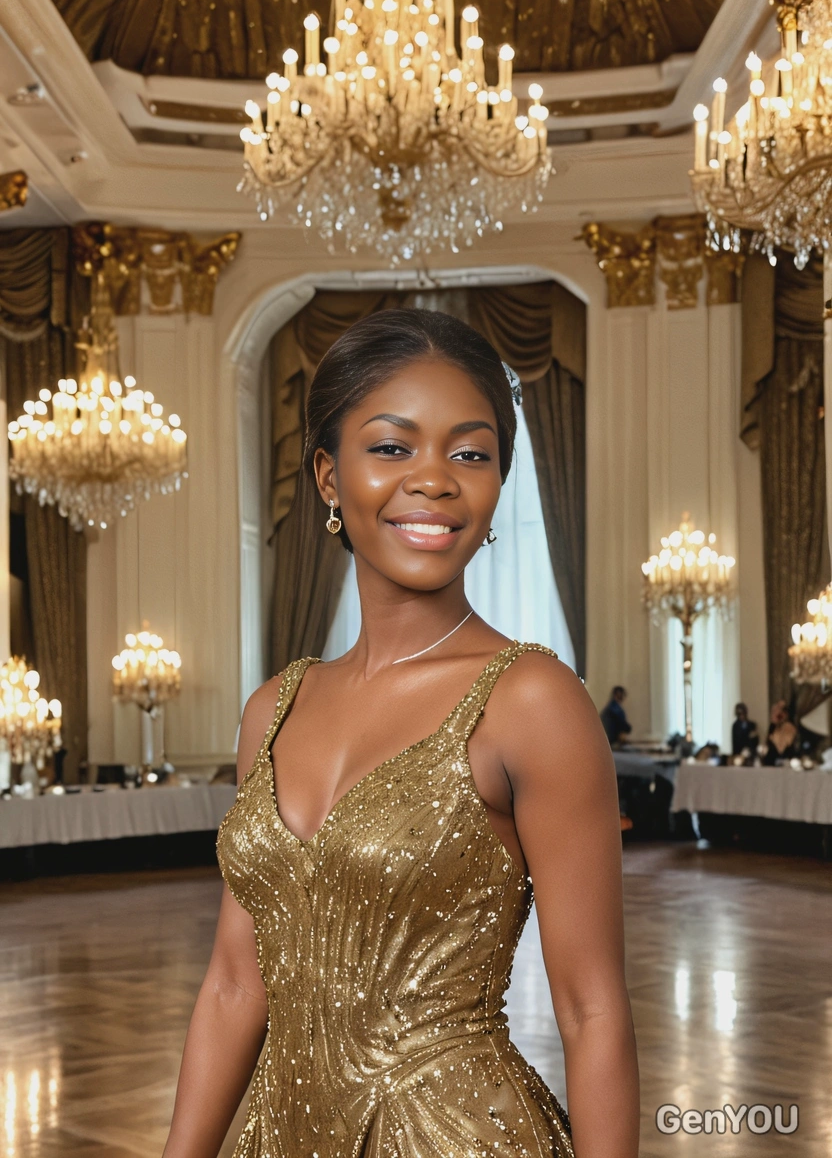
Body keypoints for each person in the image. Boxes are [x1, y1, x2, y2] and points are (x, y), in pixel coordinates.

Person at [163, 310, 639, 1158]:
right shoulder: (272, 708)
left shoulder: (530, 701)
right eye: (391, 447)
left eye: (472, 454)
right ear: (328, 476)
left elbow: (591, 1008)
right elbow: (236, 983)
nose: (435, 480)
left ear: (498, 485)